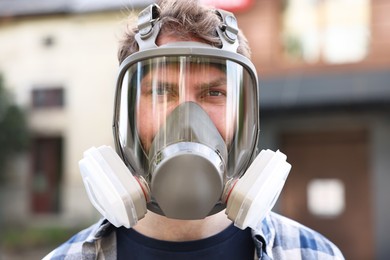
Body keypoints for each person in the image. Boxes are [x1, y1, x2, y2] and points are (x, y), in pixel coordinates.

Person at [44, 0, 344, 259]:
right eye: (161, 91)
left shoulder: (315, 255)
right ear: (128, 112)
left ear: (244, 115)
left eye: (214, 93)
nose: (186, 119)